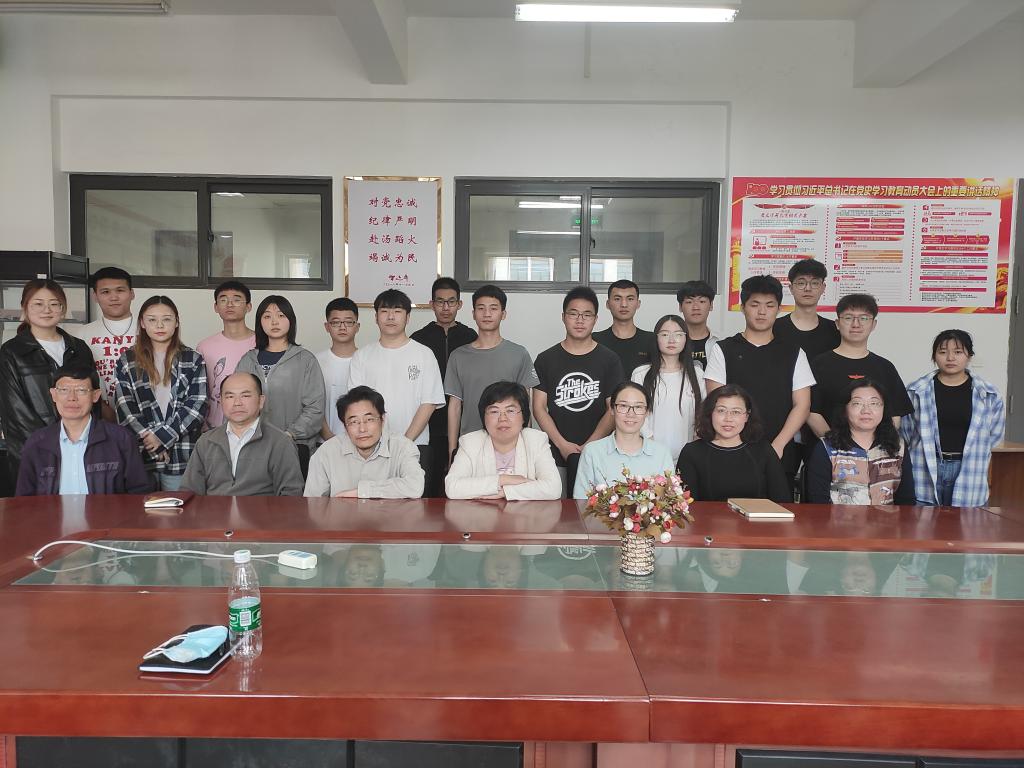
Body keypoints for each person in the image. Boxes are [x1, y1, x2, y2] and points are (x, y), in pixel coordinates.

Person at [704, 275, 813, 483]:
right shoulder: (723, 349)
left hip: (780, 453)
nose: (762, 312)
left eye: (769, 305)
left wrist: (778, 445)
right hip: (730, 453)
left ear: (779, 309)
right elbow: (716, 403)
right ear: (743, 308)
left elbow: (802, 405)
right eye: (754, 305)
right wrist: (733, 445)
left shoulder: (793, 352)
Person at [349, 289, 445, 489]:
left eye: (397, 311)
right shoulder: (362, 356)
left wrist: (403, 443)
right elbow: (356, 405)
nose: (391, 317)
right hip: (371, 448)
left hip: (415, 445)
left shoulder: (424, 354)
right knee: (372, 502)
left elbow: (428, 403)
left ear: (408, 317)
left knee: (415, 504)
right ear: (376, 317)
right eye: (384, 311)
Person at [533, 286, 624, 497]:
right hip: (554, 455)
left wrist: (590, 446)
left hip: (599, 454)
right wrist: (562, 445)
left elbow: (613, 409)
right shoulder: (545, 359)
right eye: (573, 314)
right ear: (563, 317)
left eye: (587, 315)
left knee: (597, 512)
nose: (580, 320)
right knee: (556, 511)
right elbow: (538, 407)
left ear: (596, 319)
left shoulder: (610, 360)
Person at [0, 279, 94, 479]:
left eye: (54, 303)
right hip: (35, 453)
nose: (47, 310)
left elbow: (92, 399)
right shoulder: (11, 352)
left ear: (62, 308)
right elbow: (15, 411)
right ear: (25, 308)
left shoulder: (79, 348)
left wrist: (90, 443)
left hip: (82, 449)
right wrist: (52, 447)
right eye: (38, 304)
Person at [902, 330, 1005, 506]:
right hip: (924, 467)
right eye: (943, 352)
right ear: (934, 356)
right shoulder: (916, 390)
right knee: (922, 521)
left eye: (958, 352)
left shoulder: (989, 394)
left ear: (969, 356)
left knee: (968, 522)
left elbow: (994, 435)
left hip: (968, 469)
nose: (950, 358)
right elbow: (906, 432)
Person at [114, 296, 207, 491]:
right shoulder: (127, 360)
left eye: (166, 319)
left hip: (181, 454)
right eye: (152, 319)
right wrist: (152, 441)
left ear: (176, 322)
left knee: (180, 509)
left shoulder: (193, 359)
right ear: (142, 323)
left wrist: (162, 437)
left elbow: (197, 405)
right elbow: (124, 406)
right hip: (141, 454)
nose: (159, 325)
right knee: (140, 509)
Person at [16, 365, 151, 496]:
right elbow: (23, 501)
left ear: (95, 395)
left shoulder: (121, 439)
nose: (72, 397)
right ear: (54, 394)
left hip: (106, 513)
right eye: (64, 390)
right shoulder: (36, 443)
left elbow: (139, 495)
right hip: (51, 513)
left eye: (81, 390)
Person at [236, 295, 325, 477]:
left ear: (291, 320)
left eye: (281, 315)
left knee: (290, 495)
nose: (274, 321)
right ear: (260, 322)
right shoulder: (248, 360)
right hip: (251, 447)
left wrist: (288, 435)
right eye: (267, 316)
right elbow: (234, 402)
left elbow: (315, 408)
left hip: (294, 447)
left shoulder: (305, 360)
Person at [444, 285, 538, 458]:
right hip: (470, 444)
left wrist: (526, 449)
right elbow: (455, 407)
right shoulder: (458, 356)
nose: (487, 314)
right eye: (481, 308)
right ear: (473, 314)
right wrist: (452, 451)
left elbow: (525, 406)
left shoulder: (519, 354)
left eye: (493, 308)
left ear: (503, 314)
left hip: (510, 444)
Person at [180, 372, 304, 497]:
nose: (237, 403)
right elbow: (189, 492)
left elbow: (291, 495)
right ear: (221, 402)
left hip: (261, 510)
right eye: (230, 396)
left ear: (261, 401)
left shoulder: (280, 442)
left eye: (245, 396)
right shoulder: (206, 441)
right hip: (214, 509)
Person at [808, 293, 913, 437]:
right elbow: (810, 411)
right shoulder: (819, 364)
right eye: (848, 318)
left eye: (863, 318)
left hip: (875, 449)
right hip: (828, 446)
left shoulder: (885, 367)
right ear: (837, 324)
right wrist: (834, 445)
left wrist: (878, 444)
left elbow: (894, 415)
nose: (856, 324)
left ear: (873, 324)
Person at [410, 278, 477, 496]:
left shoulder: (471, 337)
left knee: (464, 489)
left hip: (465, 423)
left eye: (451, 302)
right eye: (440, 302)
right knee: (428, 487)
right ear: (432, 304)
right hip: (429, 425)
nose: (446, 308)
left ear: (460, 304)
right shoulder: (418, 339)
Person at [676, 384, 792, 502]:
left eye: (736, 412)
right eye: (721, 411)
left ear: (747, 416)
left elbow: (783, 501)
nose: (728, 419)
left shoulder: (763, 450)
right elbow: (685, 506)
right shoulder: (692, 452)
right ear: (710, 413)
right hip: (706, 515)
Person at [445, 381, 560, 500]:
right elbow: (452, 487)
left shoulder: (536, 440)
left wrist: (506, 492)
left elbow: (553, 488)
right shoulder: (470, 443)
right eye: (494, 411)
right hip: (481, 511)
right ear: (483, 417)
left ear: (523, 416)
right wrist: (503, 480)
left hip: (525, 511)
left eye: (510, 411)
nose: (502, 418)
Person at [304, 385, 425, 498]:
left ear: (382, 419)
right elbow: (313, 503)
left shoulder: (403, 447)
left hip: (390, 515)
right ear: (345, 426)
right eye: (354, 422)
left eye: (369, 419)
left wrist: (361, 492)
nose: (362, 429)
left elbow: (415, 486)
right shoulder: (326, 453)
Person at [806, 379, 914, 505]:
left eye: (874, 403)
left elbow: (907, 501)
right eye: (857, 403)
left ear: (884, 409)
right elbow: (817, 503)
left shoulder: (898, 447)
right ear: (845, 409)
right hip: (835, 518)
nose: (866, 410)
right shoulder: (826, 447)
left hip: (887, 518)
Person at [573, 382, 675, 498]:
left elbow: (670, 501)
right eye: (623, 406)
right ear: (612, 409)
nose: (630, 413)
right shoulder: (592, 452)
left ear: (647, 412)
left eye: (638, 407)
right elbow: (581, 501)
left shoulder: (662, 453)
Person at [632, 313, 706, 461]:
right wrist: (652, 446)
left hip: (688, 457)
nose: (672, 340)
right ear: (656, 338)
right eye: (665, 334)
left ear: (686, 339)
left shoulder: (697, 374)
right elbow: (635, 413)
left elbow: (704, 413)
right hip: (648, 454)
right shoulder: (641, 374)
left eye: (678, 334)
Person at [75, 267, 137, 420]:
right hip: (99, 416)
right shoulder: (81, 335)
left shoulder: (149, 329)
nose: (114, 297)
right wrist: (101, 408)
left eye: (120, 290)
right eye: (105, 292)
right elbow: (78, 378)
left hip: (145, 415)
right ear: (95, 296)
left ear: (132, 293)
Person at [195, 280, 256, 430]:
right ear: (216, 307)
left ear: (248, 306)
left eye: (236, 299)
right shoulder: (204, 347)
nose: (229, 304)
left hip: (255, 427)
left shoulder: (262, 343)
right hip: (213, 429)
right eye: (223, 300)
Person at [773, 259, 841, 363]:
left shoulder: (836, 330)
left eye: (815, 283)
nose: (808, 288)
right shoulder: (773, 328)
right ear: (791, 288)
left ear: (823, 288)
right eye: (801, 283)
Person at [592, 279, 656, 379]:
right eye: (617, 299)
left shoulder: (652, 340)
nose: (624, 304)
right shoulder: (594, 340)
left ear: (638, 303)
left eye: (630, 299)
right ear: (608, 304)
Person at [316, 297, 359, 441]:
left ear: (357, 326)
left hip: (361, 442)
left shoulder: (367, 360)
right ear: (327, 326)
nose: (342, 327)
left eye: (348, 322)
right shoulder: (315, 362)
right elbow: (311, 405)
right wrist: (329, 437)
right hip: (323, 443)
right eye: (335, 322)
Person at [676, 280, 718, 370]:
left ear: (711, 305)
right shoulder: (671, 341)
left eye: (702, 301)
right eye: (689, 302)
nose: (696, 307)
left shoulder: (721, 341)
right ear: (680, 307)